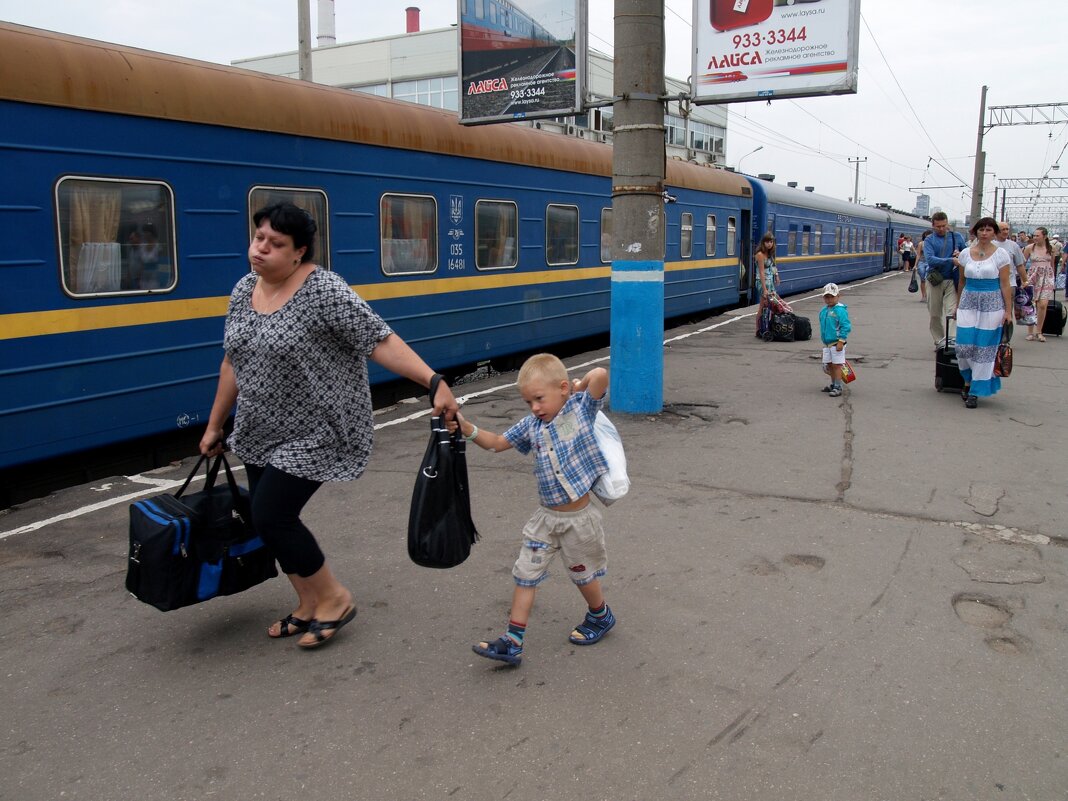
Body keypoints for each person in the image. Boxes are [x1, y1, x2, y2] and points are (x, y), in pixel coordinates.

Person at [199, 202, 459, 649]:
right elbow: (232, 362)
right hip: (260, 427)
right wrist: (214, 424)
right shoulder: (245, 290)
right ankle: (307, 603)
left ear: (299, 252)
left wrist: (432, 380)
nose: (260, 249)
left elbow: (379, 339)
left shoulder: (323, 291)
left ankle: (334, 598)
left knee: (272, 515)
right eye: (258, 237)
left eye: (275, 244)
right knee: (269, 522)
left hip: (318, 427)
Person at [450, 355, 614, 666]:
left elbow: (601, 375)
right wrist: (465, 427)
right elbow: (497, 442)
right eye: (529, 402)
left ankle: (600, 614)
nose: (535, 407)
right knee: (525, 574)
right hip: (546, 520)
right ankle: (513, 641)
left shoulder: (580, 409)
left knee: (582, 575)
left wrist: (580, 385)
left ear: (562, 388)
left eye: (539, 398)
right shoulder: (531, 426)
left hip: (579, 521)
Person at [953, 217, 1013, 408]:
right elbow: (961, 282)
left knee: (983, 349)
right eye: (981, 230)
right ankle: (967, 378)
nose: (985, 233)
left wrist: (1008, 311)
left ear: (994, 233)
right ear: (976, 232)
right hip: (968, 301)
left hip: (992, 303)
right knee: (963, 346)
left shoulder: (1001, 255)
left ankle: (974, 390)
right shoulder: (964, 254)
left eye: (988, 230)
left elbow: (1005, 284)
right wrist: (957, 305)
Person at [924, 212, 966, 346]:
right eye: (938, 227)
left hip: (952, 280)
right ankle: (939, 340)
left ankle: (951, 341)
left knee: (952, 312)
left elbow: (966, 255)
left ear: (947, 223)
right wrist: (950, 260)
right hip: (934, 280)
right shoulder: (929, 240)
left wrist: (960, 254)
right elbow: (930, 260)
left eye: (944, 225)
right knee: (935, 314)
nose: (942, 229)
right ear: (933, 226)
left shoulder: (957, 237)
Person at [1024, 227, 1057, 341]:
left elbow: (1052, 264)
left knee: (1042, 305)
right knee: (1031, 305)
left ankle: (1039, 331)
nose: (1035, 238)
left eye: (1037, 235)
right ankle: (1030, 332)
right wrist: (1023, 279)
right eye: (1034, 235)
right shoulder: (1029, 248)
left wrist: (1054, 280)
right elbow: (1022, 264)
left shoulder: (1051, 248)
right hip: (1032, 277)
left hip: (1047, 277)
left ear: (1045, 236)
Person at [819, 283, 851, 397]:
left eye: (832, 297)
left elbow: (845, 326)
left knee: (837, 365)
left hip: (837, 342)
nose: (829, 299)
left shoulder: (840, 310)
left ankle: (838, 386)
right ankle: (833, 384)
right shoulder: (824, 310)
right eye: (827, 297)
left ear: (838, 296)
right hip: (827, 343)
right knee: (830, 364)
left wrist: (841, 341)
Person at [754, 234, 781, 337]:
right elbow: (761, 272)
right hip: (762, 282)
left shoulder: (771, 254)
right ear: (763, 242)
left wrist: (777, 276)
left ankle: (767, 326)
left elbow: (773, 265)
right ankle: (758, 329)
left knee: (772, 304)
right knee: (762, 305)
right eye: (767, 242)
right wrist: (764, 289)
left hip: (770, 281)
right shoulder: (760, 255)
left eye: (771, 242)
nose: (769, 244)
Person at [916, 230, 932, 301]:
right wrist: (915, 265)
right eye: (927, 235)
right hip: (921, 262)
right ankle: (923, 296)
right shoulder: (921, 244)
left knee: (927, 278)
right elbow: (918, 254)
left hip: (929, 262)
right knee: (922, 279)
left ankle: (928, 295)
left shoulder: (933, 243)